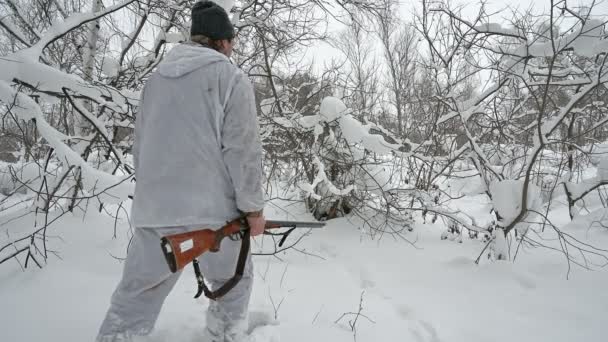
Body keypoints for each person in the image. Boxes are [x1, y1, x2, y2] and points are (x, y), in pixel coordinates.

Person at [96, 1, 266, 341]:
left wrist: (153, 199)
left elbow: (141, 147)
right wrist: (253, 210)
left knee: (135, 298)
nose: (232, 49)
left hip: (154, 211)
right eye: (231, 42)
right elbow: (243, 151)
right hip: (215, 216)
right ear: (221, 41)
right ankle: (224, 336)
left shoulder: (155, 80)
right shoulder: (229, 76)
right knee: (233, 283)